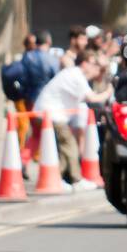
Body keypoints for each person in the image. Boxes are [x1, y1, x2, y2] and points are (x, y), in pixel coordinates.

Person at [34, 53, 111, 187]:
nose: (95, 68)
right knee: (69, 145)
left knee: (64, 148)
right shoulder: (76, 76)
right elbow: (92, 98)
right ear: (84, 63)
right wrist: (109, 92)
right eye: (93, 64)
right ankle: (76, 179)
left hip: (48, 113)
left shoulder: (74, 74)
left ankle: (59, 180)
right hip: (52, 114)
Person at [22, 31, 58, 105]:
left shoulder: (27, 57)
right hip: (47, 101)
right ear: (49, 41)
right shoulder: (53, 60)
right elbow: (56, 80)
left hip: (30, 99)